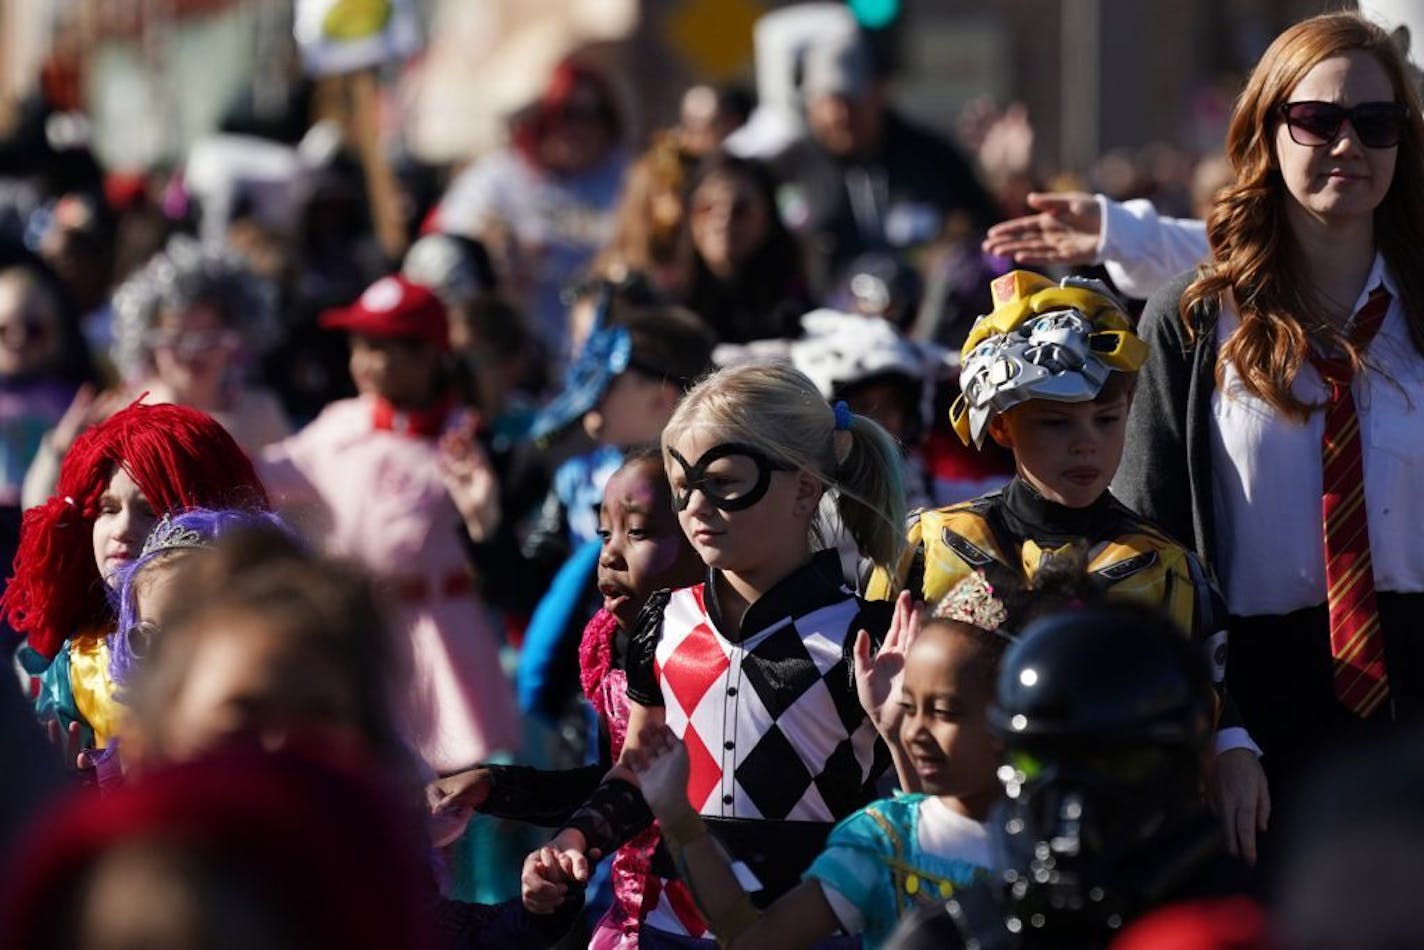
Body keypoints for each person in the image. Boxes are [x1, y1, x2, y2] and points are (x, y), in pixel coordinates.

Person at [1112, 12, 1424, 811]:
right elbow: (1150, 546)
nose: (1348, 145)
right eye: (1317, 120)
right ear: (1267, 129)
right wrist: (1220, 729)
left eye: (1377, 122)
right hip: (1257, 699)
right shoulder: (1190, 320)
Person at [865, 270, 1269, 865]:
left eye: (1107, 419)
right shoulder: (925, 545)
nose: (1086, 444)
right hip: (940, 840)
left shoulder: (1169, 568)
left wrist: (1235, 747)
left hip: (1113, 848)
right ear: (1001, 424)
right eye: (1056, 423)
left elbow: (1203, 697)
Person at [521, 363, 908, 945]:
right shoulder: (663, 620)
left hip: (809, 928)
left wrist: (900, 728)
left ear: (805, 488)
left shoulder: (863, 638)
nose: (697, 506)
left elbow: (920, 806)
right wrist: (573, 840)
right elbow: (637, 769)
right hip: (669, 923)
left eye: (724, 483)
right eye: (682, 487)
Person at [622, 570, 1019, 950]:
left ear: (1012, 714)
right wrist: (679, 820)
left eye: (945, 711)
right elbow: (755, 939)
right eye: (910, 706)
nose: (916, 730)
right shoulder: (881, 841)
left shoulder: (1060, 827)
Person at [429, 447, 706, 947]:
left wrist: (572, 836)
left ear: (704, 537)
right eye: (605, 533)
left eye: (638, 532)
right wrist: (493, 786)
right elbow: (614, 787)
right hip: (638, 912)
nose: (609, 553)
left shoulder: (715, 660)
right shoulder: (612, 646)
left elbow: (645, 792)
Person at [259, 273, 518, 773]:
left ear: (429, 356)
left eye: (386, 348)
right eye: (362, 345)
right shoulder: (340, 423)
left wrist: (483, 511)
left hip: (439, 634)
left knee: (456, 793)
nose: (368, 361)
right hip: (360, 630)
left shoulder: (466, 438)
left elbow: (494, 546)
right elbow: (263, 473)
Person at [884, 603, 1242, 949]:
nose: (1073, 809)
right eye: (1037, 761)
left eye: (1114, 763)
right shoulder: (952, 937)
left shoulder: (1258, 927)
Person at [2, 400, 268, 751]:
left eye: (149, 510)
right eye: (108, 509)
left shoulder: (254, 651)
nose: (122, 529)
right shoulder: (75, 667)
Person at [433, 58, 630, 364]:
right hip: (522, 355)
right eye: (568, 113)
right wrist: (500, 250)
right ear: (545, 116)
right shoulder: (498, 178)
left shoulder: (624, 177)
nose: (580, 128)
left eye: (594, 114)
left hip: (607, 350)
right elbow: (452, 248)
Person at [770, 29, 997, 296]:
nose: (840, 116)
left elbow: (985, 233)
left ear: (880, 91)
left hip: (926, 325)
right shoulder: (787, 169)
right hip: (817, 326)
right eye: (829, 101)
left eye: (853, 101)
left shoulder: (933, 159)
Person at [107, 235, 291, 453]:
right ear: (148, 340)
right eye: (175, 338)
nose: (192, 352)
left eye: (209, 339)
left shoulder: (261, 414)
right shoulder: (128, 416)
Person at [675, 153, 809, 344]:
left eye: (740, 210)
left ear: (768, 218)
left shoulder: (796, 306)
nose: (722, 221)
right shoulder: (667, 304)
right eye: (706, 208)